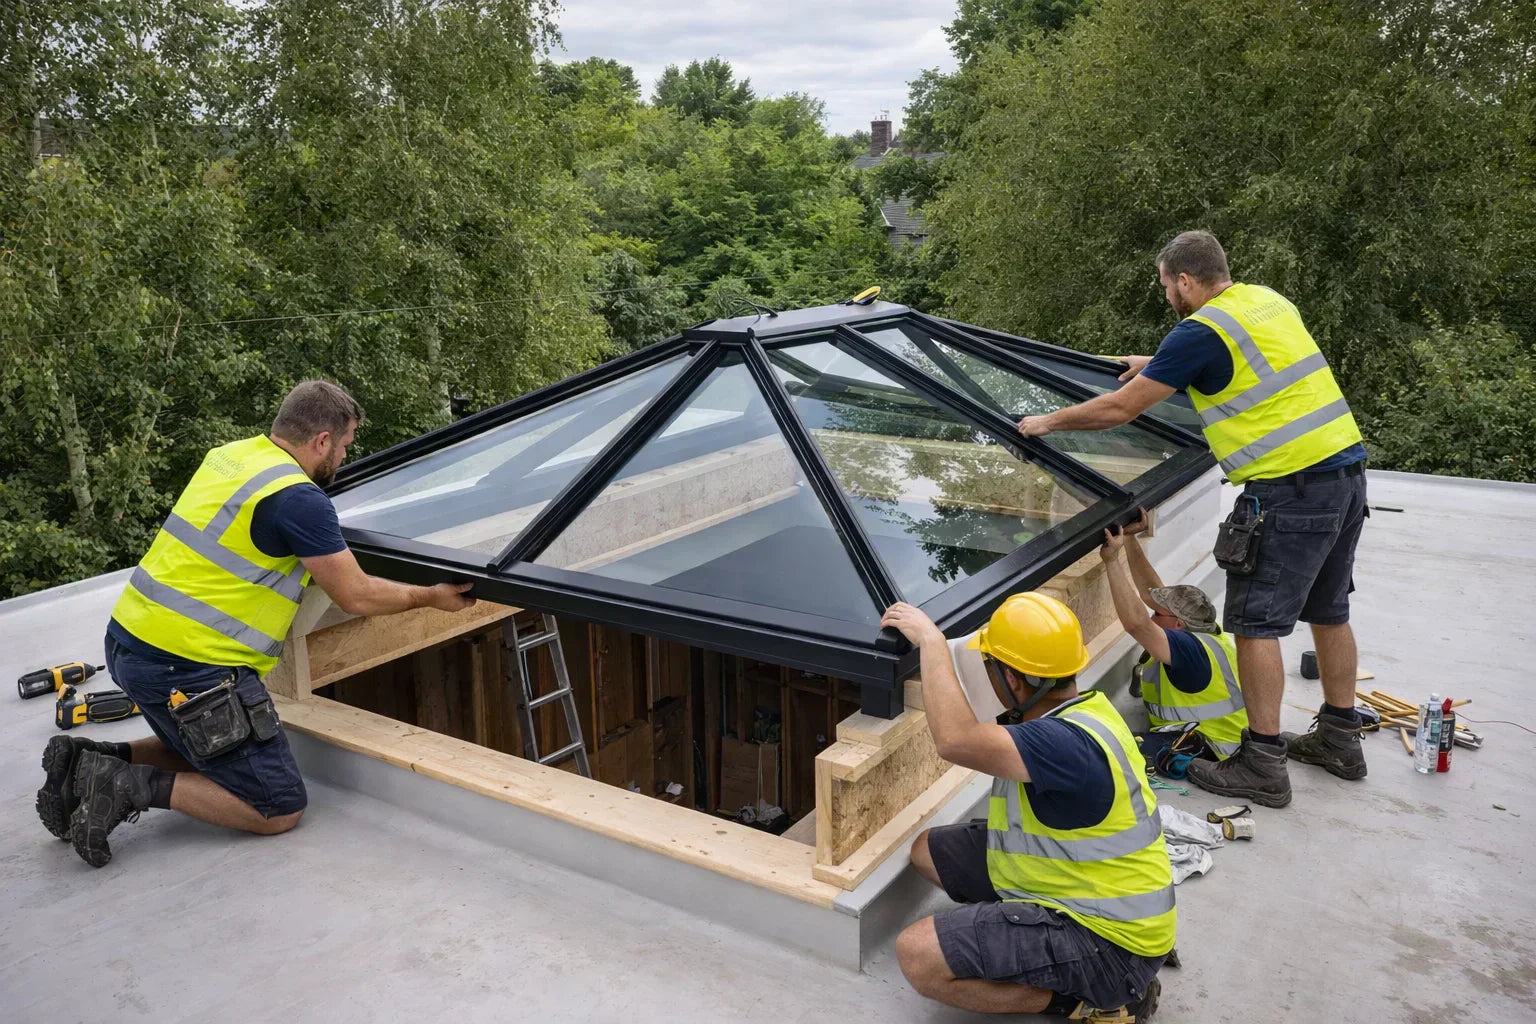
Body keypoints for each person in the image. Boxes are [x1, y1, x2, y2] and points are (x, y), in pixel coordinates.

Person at [36, 380, 477, 868]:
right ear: (323, 441)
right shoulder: (298, 500)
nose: (347, 458)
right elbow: (355, 594)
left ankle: (83, 760)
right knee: (275, 806)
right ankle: (124, 784)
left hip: (129, 641)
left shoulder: (233, 457)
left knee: (209, 751)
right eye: (347, 444)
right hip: (188, 667)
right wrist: (430, 597)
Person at [1018, 230, 1370, 808]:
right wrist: (1151, 363)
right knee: (1330, 612)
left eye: (1166, 286)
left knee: (1255, 626)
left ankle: (1261, 761)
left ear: (1184, 279)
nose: (1166, 297)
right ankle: (1340, 738)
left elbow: (1121, 409)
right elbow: (1229, 362)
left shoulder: (1199, 330)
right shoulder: (1266, 301)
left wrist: (1046, 424)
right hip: (1345, 477)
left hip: (1289, 489)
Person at [883, 593, 1171, 1022]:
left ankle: (1089, 1003)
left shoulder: (1061, 742)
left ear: (1016, 681)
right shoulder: (1079, 712)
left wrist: (932, 642)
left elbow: (955, 741)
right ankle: (1026, 931)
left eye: (990, 667)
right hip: (1075, 886)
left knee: (919, 955)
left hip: (1113, 944)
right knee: (928, 852)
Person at [1100, 511, 1248, 758]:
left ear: (1179, 625)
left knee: (1111, 751)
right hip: (1209, 735)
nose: (1151, 617)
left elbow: (1137, 625)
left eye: (1157, 613)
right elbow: (1151, 592)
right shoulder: (1205, 630)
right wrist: (1129, 538)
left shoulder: (1189, 650)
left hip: (1210, 746)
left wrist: (1112, 561)